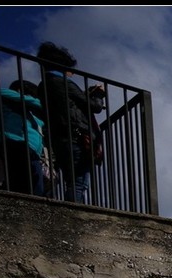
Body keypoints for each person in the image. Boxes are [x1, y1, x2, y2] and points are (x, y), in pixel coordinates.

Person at [36, 41, 104, 204]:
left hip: (60, 138)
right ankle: (75, 215)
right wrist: (98, 95)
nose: (71, 73)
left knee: (71, 180)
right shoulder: (62, 82)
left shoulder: (44, 85)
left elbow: (69, 104)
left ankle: (71, 212)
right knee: (78, 182)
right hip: (75, 138)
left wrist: (84, 95)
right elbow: (94, 107)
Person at [0, 80, 48, 196]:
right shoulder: (5, 94)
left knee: (31, 179)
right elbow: (37, 103)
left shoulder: (27, 110)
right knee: (24, 177)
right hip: (15, 140)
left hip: (30, 147)